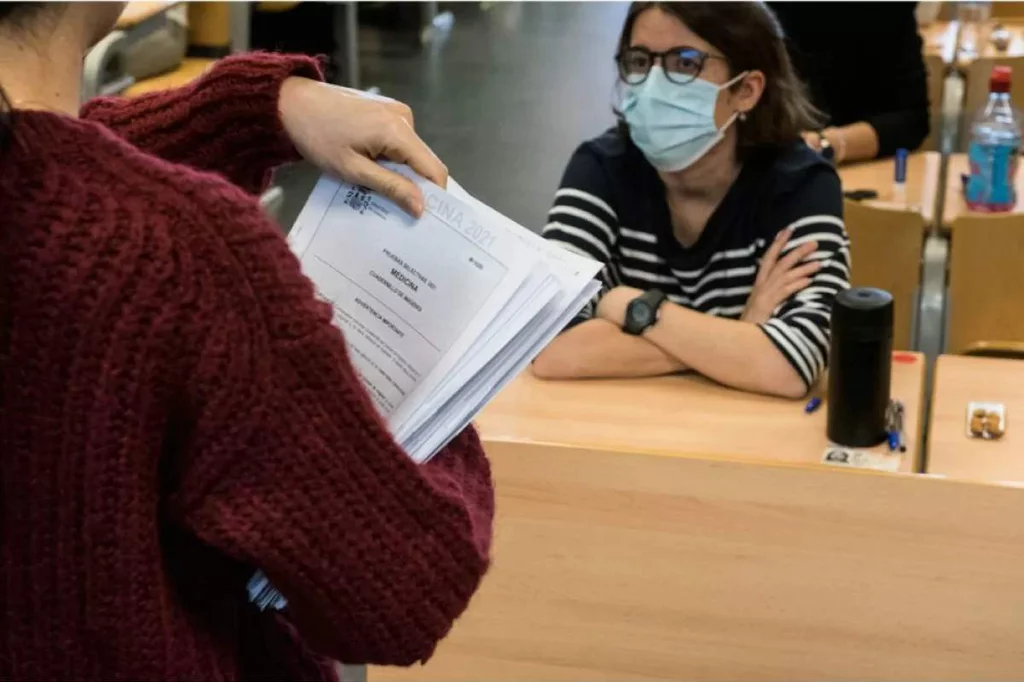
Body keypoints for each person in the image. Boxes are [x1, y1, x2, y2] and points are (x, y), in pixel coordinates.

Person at [0, 3, 493, 680]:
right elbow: (406, 590)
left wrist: (256, 108)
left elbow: (50, 160)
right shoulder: (190, 259)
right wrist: (448, 385)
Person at [534, 1, 850, 399]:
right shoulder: (600, 169)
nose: (652, 83)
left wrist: (630, 305)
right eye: (640, 60)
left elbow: (793, 363)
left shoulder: (801, 185)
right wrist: (741, 332)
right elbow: (547, 349)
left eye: (684, 63)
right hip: (618, 433)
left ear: (746, 90)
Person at [768, 1, 930, 163]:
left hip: (854, 163)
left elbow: (912, 120)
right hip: (772, 159)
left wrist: (828, 144)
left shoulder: (889, 10)